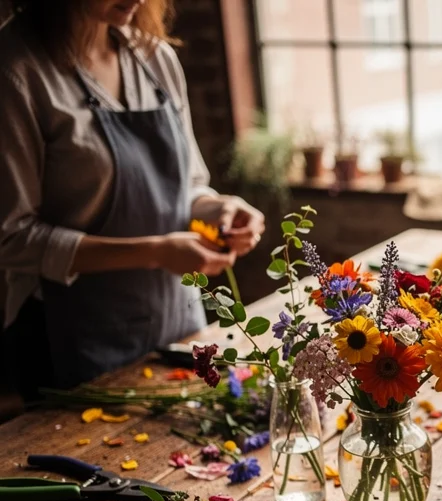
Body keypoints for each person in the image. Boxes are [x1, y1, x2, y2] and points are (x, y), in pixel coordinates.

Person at [0, 0, 264, 402]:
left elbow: (188, 186)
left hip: (177, 322)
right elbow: (12, 237)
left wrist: (218, 209)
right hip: (74, 338)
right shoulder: (17, 70)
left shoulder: (155, 58)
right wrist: (156, 252)